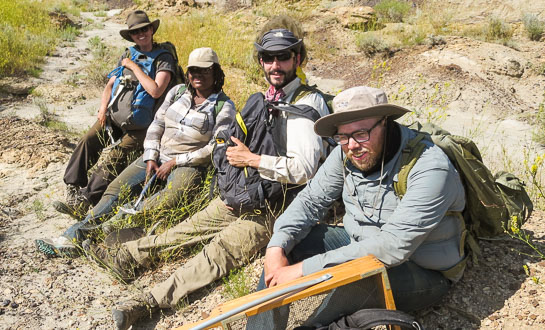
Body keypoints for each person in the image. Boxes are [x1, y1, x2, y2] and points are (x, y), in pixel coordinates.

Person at [88, 27, 330, 330]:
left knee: (217, 254)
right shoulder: (268, 98)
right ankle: (125, 256)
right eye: (268, 58)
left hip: (280, 208)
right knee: (188, 229)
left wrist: (251, 160)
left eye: (283, 58)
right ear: (261, 61)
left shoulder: (306, 105)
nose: (274, 65)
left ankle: (148, 302)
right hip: (250, 191)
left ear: (297, 59)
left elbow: (304, 169)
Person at [246, 86, 467, 329]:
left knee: (356, 280)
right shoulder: (346, 153)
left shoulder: (429, 167)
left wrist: (303, 270)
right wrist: (277, 245)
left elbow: (393, 247)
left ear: (385, 122)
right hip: (358, 245)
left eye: (361, 133)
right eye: (342, 137)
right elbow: (310, 201)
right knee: (295, 242)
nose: (351, 145)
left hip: (420, 270)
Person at [36, 47, 235, 257]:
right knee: (115, 190)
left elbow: (214, 147)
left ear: (215, 73)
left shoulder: (224, 106)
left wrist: (175, 162)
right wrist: (150, 156)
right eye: (194, 70)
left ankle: (104, 231)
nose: (198, 76)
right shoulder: (177, 93)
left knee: (167, 199)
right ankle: (71, 237)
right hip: (157, 155)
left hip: (188, 165)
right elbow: (157, 124)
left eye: (205, 70)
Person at [55, 10, 176, 218]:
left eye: (145, 29)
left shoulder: (163, 58)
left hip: (142, 124)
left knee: (115, 157)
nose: (141, 34)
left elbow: (156, 90)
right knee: (88, 140)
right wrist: (103, 107)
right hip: (115, 116)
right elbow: (111, 83)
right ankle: (73, 187)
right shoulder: (128, 53)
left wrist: (134, 67)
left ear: (151, 30)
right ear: (131, 36)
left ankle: (86, 200)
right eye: (136, 32)